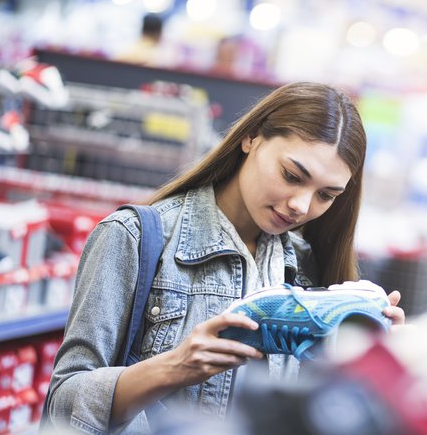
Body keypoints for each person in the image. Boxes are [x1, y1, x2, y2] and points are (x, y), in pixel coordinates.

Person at [42, 82, 406, 433]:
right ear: (252, 138)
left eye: (326, 195)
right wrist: (172, 367)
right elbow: (63, 401)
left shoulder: (307, 268)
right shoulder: (133, 237)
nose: (301, 205)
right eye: (292, 175)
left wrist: (372, 360)